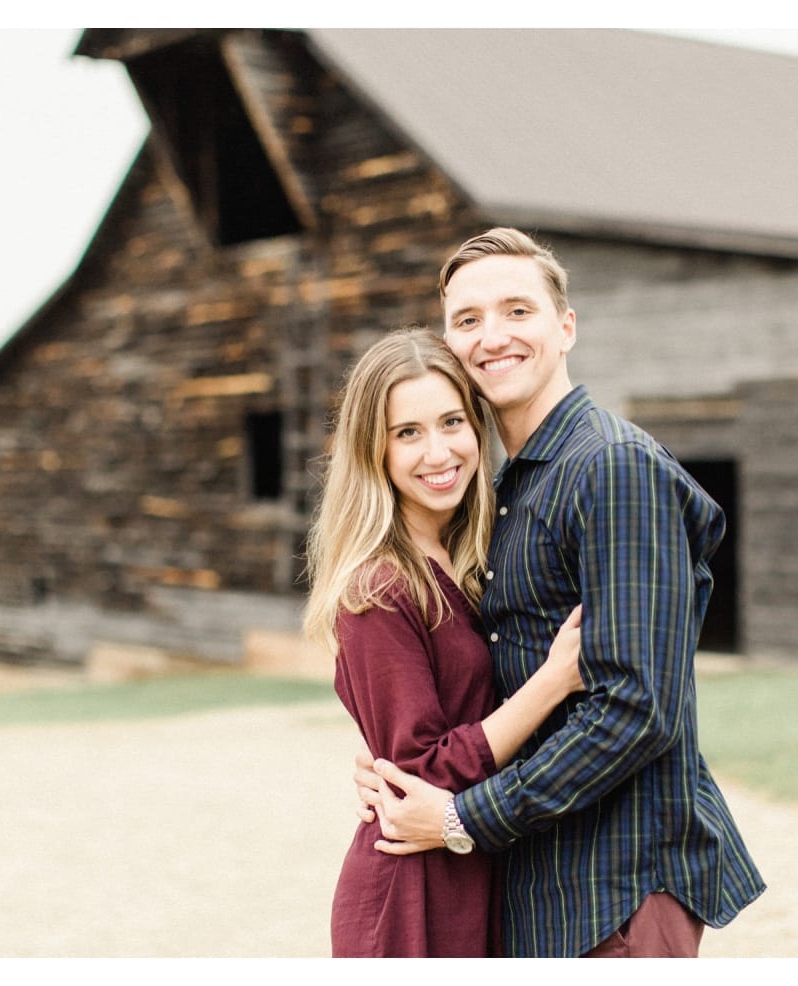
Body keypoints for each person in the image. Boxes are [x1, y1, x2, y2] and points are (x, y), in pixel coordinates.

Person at [355, 228, 766, 957]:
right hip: (545, 885)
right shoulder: (510, 488)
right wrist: (409, 765)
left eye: (518, 310)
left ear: (565, 326)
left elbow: (638, 708)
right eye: (468, 319)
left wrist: (464, 817)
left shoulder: (611, 468)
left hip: (617, 886)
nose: (493, 337)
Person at [303, 327, 587, 957]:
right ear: (373, 450)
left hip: (473, 867)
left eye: (452, 421)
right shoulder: (379, 587)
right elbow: (418, 772)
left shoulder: (475, 559)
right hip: (411, 889)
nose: (438, 452)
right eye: (408, 433)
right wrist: (552, 682)